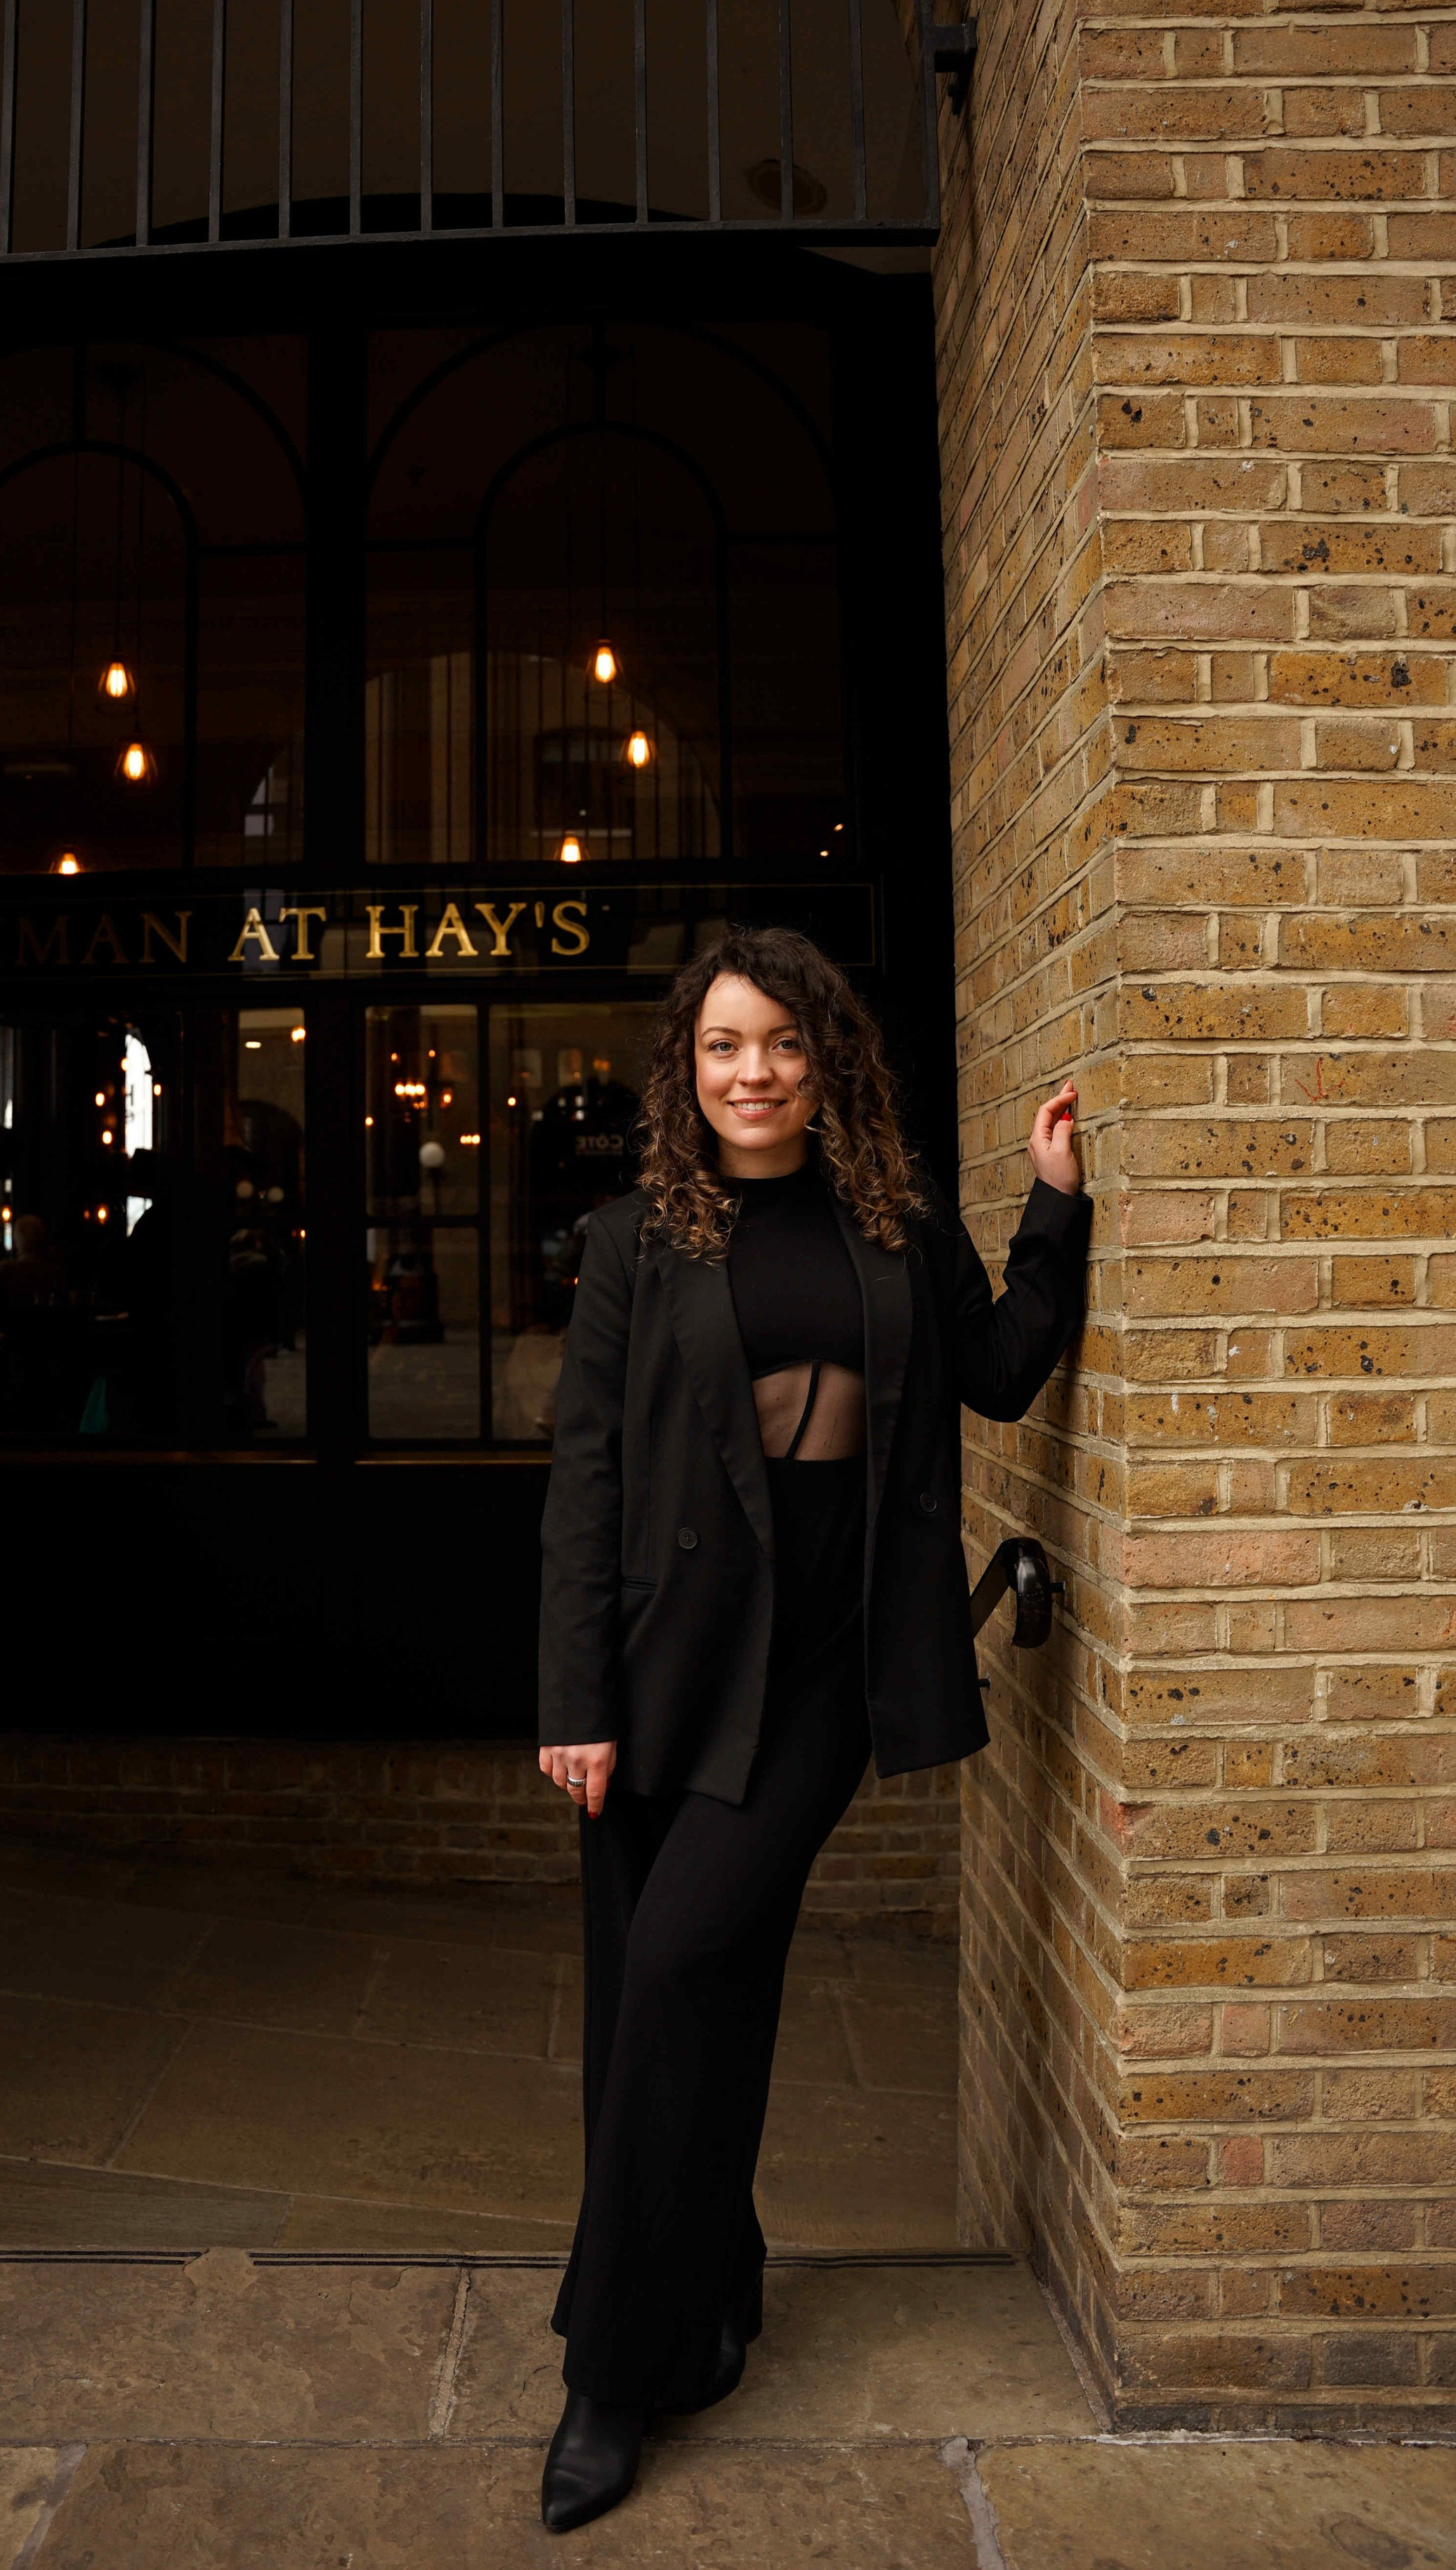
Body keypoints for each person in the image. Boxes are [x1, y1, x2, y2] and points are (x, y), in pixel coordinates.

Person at [534, 925, 1091, 2532]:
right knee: (658, 2002)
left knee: (678, 1970)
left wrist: (1052, 1210)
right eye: (720, 1046)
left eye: (779, 1041)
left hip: (822, 1682)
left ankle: (610, 2371)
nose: (752, 1071)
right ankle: (710, 2283)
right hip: (655, 1685)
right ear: (683, 1070)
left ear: (822, 1057)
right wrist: (572, 1699)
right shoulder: (635, 1240)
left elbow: (994, 1373)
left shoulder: (893, 1222)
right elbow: (581, 1485)